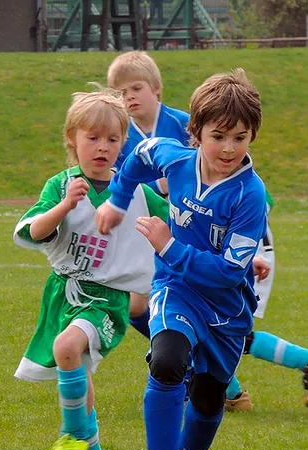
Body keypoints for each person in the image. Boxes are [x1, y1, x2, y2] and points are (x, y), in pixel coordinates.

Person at [96, 68, 268, 450]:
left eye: (240, 138)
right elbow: (137, 159)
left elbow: (229, 272)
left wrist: (169, 245)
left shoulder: (250, 195)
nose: (228, 149)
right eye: (218, 136)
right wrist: (117, 200)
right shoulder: (173, 157)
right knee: (168, 361)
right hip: (176, 289)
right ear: (196, 132)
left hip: (227, 309)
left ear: (252, 136)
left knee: (209, 400)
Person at [13, 88, 169, 450]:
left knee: (67, 347)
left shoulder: (135, 193)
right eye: (93, 137)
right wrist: (65, 206)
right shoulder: (60, 185)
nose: (103, 147)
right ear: (72, 139)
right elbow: (34, 231)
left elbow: (181, 223)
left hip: (107, 299)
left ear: (123, 144)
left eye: (113, 139)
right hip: (63, 294)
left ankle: (73, 436)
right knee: (78, 373)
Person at [225, 194, 308, 412]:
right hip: (241, 253)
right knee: (211, 329)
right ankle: (230, 395)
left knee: (217, 330)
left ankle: (231, 394)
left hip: (242, 257)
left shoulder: (231, 180)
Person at [106, 50, 191, 341]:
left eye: (136, 88)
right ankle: (173, 353)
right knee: (136, 306)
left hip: (186, 223)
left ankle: (191, 355)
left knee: (192, 302)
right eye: (121, 93)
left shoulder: (184, 125)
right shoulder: (118, 135)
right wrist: (159, 186)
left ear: (156, 89)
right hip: (142, 225)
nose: (129, 96)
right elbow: (121, 184)